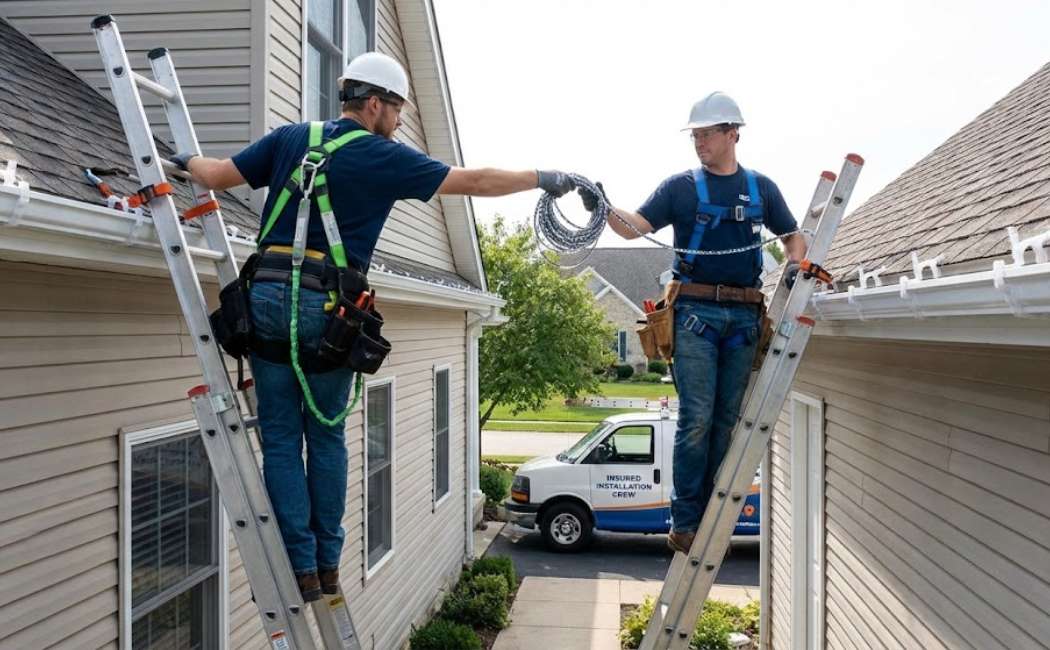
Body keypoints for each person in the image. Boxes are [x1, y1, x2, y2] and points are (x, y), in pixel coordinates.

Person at [172, 51, 575, 600]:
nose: (401, 121)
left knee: (283, 439)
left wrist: (183, 159)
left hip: (264, 298)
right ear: (374, 104)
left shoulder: (291, 137)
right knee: (327, 435)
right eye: (398, 109)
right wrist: (543, 177)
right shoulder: (382, 157)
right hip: (327, 312)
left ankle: (300, 566)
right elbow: (473, 180)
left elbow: (216, 175)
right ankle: (327, 564)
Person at [580, 92, 805, 553]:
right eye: (695, 135)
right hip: (696, 316)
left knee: (727, 420)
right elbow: (634, 227)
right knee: (697, 419)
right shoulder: (680, 188)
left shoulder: (762, 189)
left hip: (744, 317)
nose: (699, 142)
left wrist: (797, 265)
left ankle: (713, 510)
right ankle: (685, 520)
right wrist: (601, 206)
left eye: (706, 134)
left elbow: (793, 237)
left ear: (732, 134)